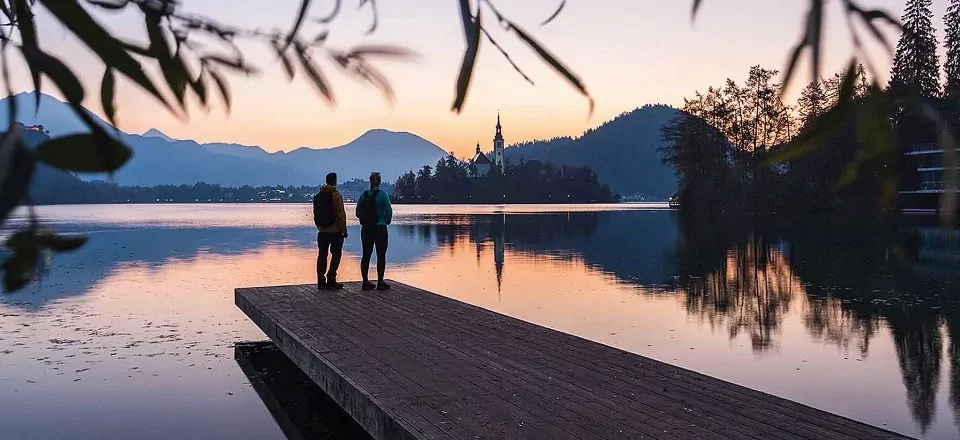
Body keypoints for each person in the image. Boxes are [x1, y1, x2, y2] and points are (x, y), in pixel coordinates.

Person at [356, 172, 393, 290]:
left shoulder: (364, 195)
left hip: (366, 228)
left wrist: (366, 219)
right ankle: (380, 282)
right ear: (380, 182)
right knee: (381, 255)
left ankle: (365, 281)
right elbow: (389, 211)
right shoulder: (383, 195)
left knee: (366, 255)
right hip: (380, 228)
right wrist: (386, 221)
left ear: (370, 182)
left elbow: (357, 213)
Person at [314, 172, 348, 290]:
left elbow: (315, 214)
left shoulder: (319, 195)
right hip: (335, 232)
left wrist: (319, 226)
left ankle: (321, 281)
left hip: (322, 231)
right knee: (336, 255)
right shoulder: (336, 195)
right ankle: (331, 279)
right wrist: (344, 230)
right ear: (334, 181)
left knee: (322, 255)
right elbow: (341, 214)